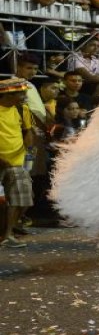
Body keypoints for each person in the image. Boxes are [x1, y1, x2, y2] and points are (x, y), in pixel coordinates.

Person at [0, 78, 34, 248]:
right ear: (7, 94)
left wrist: (29, 150)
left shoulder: (22, 109)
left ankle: (7, 235)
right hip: (1, 162)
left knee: (23, 200)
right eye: (20, 93)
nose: (23, 96)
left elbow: (28, 131)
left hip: (17, 161)